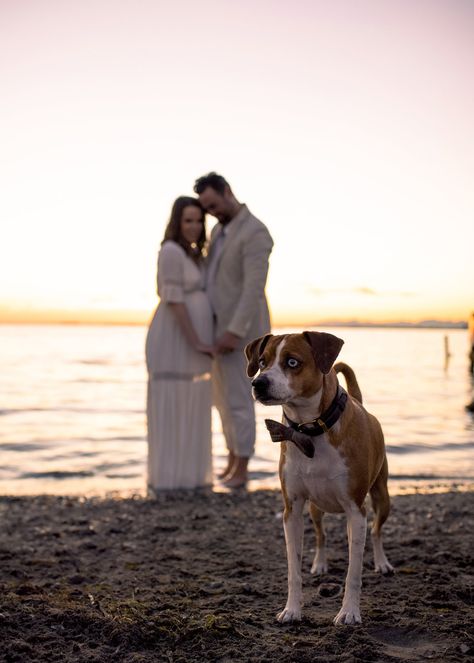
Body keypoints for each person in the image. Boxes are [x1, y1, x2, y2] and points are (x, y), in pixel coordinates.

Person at [193, 172, 274, 488]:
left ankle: (242, 468)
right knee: (222, 401)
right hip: (215, 332)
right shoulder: (218, 231)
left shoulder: (255, 232)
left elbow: (253, 288)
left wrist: (234, 331)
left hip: (242, 335)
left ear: (227, 191)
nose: (212, 212)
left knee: (240, 400)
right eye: (207, 208)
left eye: (214, 204)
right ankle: (230, 460)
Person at [145, 196, 215, 491]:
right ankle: (169, 480)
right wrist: (197, 340)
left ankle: (190, 478)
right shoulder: (171, 251)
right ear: (177, 222)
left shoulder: (192, 254)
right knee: (173, 402)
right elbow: (173, 300)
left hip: (193, 343)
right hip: (176, 339)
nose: (195, 227)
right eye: (188, 220)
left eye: (199, 221)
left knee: (193, 400)